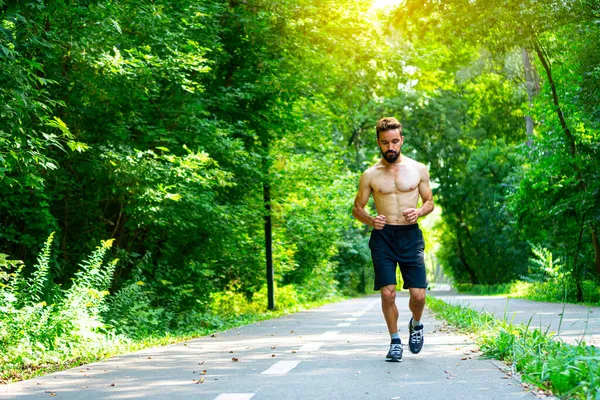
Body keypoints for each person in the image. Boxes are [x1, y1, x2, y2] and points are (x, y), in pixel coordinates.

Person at [352, 117, 434, 362]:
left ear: (402, 140)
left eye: (395, 141)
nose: (391, 147)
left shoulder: (418, 169)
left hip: (410, 236)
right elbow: (357, 208)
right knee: (388, 293)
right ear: (378, 142)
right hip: (383, 237)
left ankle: (416, 325)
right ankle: (395, 341)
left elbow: (429, 202)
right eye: (385, 142)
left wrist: (418, 211)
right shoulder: (370, 175)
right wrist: (370, 220)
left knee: (418, 295)